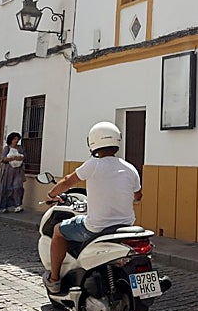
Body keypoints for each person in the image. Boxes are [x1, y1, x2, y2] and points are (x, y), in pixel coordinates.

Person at [43, 121, 142, 294]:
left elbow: (68, 181)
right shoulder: (130, 168)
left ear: (93, 142)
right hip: (126, 227)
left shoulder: (93, 164)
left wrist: (51, 195)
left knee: (58, 231)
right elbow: (138, 196)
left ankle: (54, 279)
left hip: (96, 227)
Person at [0, 132, 26, 213]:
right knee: (6, 189)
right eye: (14, 139)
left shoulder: (20, 148)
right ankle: (5, 206)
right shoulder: (7, 148)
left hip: (18, 171)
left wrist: (19, 158)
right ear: (11, 140)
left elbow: (24, 157)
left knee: (17, 187)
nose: (16, 141)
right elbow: (3, 158)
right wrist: (11, 158)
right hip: (8, 172)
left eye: (17, 139)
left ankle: (17, 205)